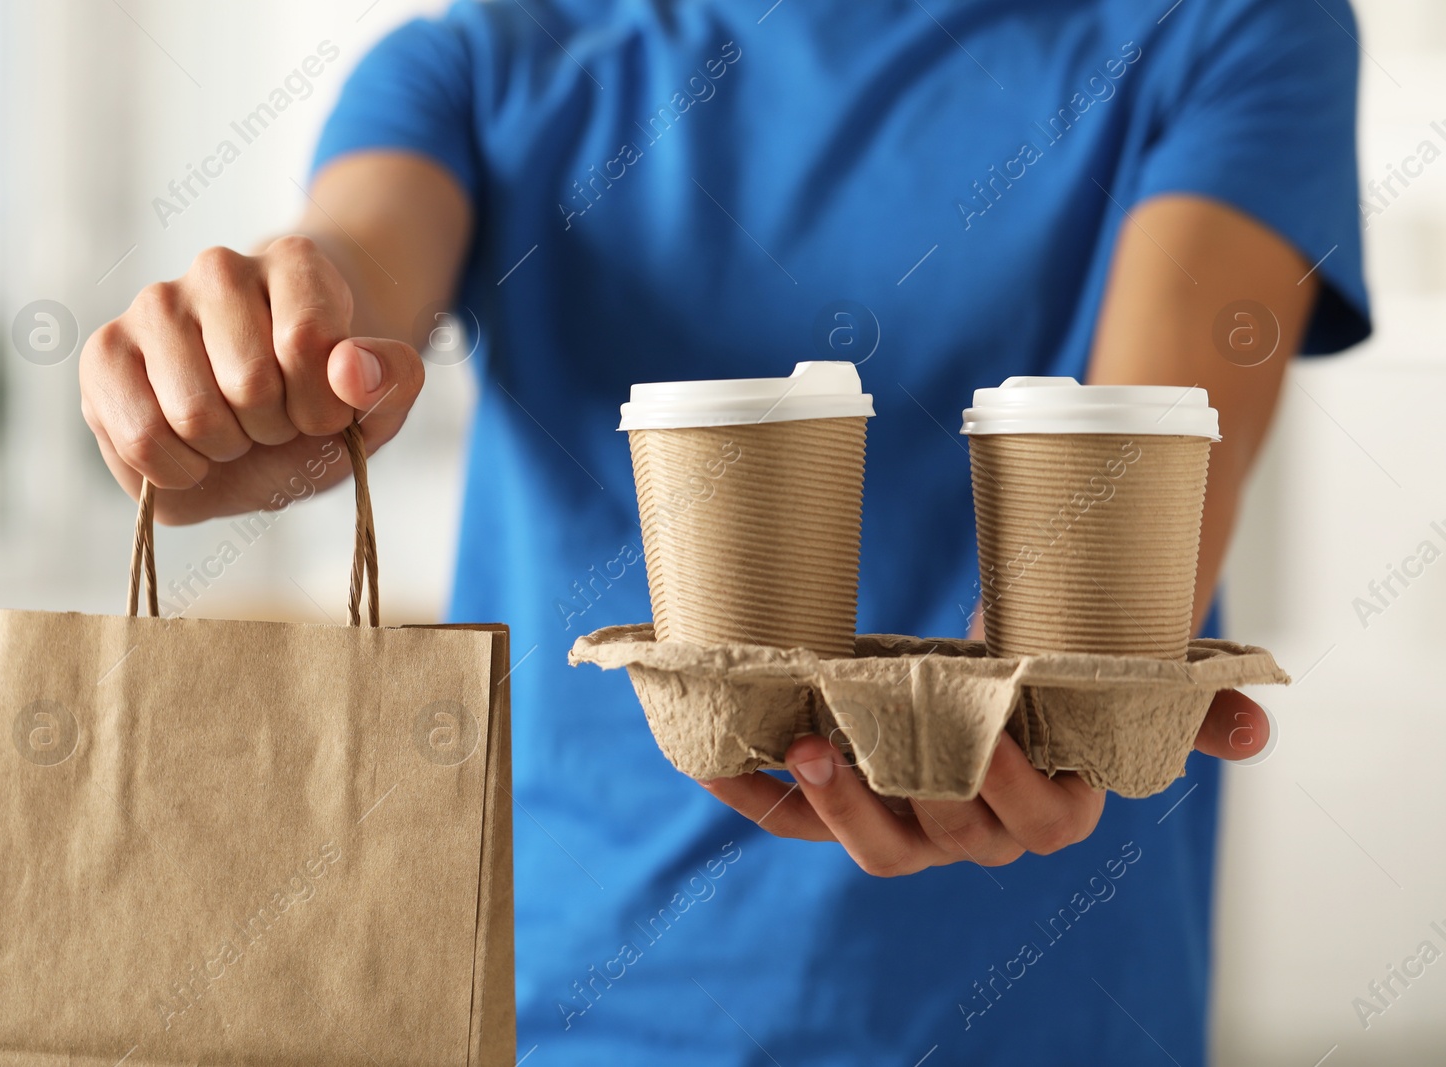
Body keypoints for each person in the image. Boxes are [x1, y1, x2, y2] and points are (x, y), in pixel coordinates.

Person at [79, 0, 1369, 1061]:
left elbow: (1152, 466)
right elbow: (347, 293)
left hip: (1047, 1012)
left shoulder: (1233, 28)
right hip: (563, 1015)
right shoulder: (478, 67)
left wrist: (1035, 714)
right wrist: (251, 367)